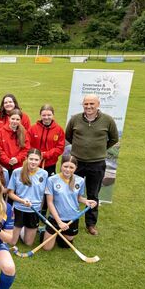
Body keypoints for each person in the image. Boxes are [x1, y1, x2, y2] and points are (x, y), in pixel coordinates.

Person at [65, 94, 118, 236]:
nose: (88, 107)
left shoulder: (108, 120)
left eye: (92, 104)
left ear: (98, 104)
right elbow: (68, 136)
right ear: (83, 104)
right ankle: (69, 218)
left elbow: (113, 138)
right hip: (76, 163)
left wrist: (99, 149)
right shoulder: (75, 119)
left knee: (93, 193)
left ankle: (91, 224)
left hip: (97, 163)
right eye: (86, 104)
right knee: (71, 191)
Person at [43, 155, 97, 250]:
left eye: (71, 167)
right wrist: (59, 222)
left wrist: (86, 201)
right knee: (47, 248)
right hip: (56, 218)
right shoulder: (52, 180)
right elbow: (50, 202)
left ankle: (58, 234)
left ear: (76, 168)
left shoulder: (80, 180)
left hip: (72, 218)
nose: (68, 170)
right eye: (65, 166)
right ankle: (45, 232)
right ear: (61, 166)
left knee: (65, 245)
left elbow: (78, 197)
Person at [7, 149, 48, 246]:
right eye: (31, 159)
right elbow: (10, 194)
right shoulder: (17, 172)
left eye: (36, 160)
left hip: (34, 210)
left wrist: (39, 209)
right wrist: (22, 201)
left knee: (28, 243)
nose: (33, 162)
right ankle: (20, 228)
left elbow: (43, 196)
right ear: (26, 159)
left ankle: (25, 229)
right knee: (12, 242)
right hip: (19, 209)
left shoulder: (44, 174)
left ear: (40, 160)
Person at [28, 104, 65, 177]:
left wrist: (45, 155)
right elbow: (27, 144)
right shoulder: (33, 129)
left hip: (50, 164)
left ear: (53, 115)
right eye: (44, 115)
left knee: (48, 186)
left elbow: (60, 148)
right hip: (33, 163)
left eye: (49, 115)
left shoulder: (59, 130)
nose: (46, 117)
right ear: (40, 115)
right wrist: (36, 155)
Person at [0, 108, 31, 174]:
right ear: (9, 118)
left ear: (20, 120)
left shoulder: (24, 132)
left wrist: (17, 159)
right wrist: (7, 160)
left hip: (18, 167)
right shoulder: (0, 132)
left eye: (17, 119)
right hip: (3, 167)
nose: (15, 121)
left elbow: (26, 149)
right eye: (13, 119)